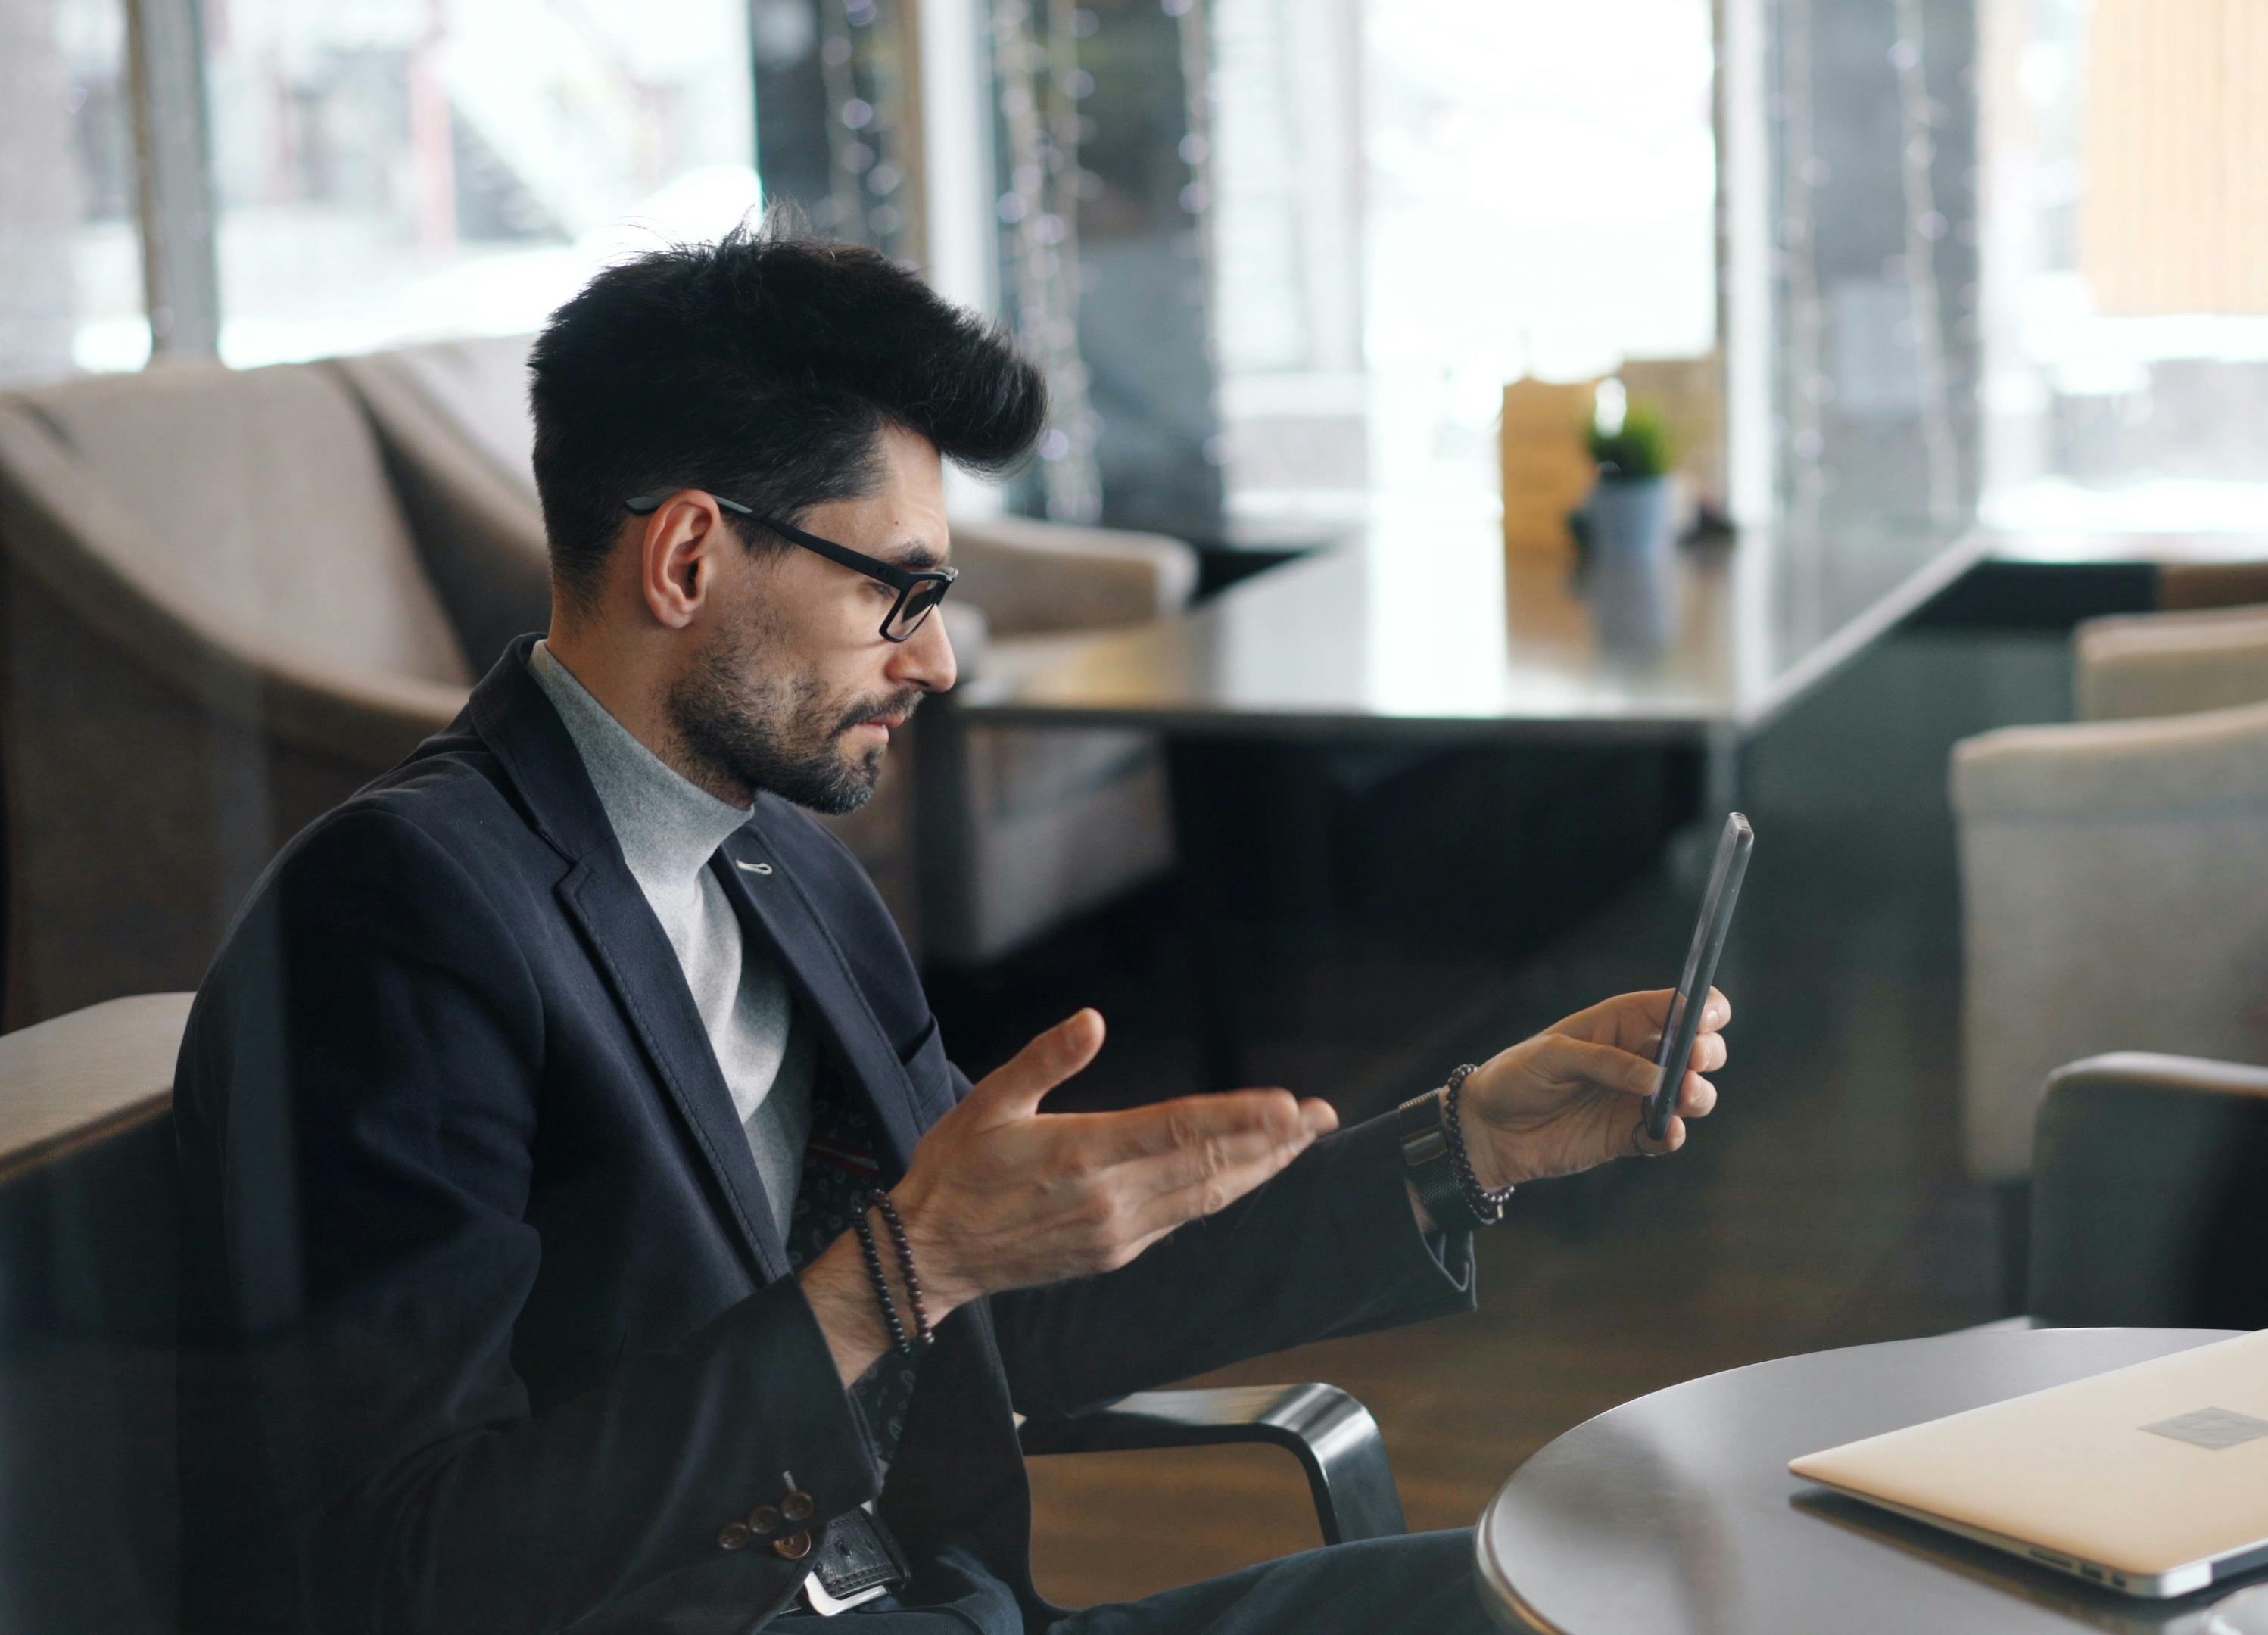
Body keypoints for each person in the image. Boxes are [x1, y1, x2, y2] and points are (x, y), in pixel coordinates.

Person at [170, 221, 1732, 1635]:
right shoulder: (401, 918)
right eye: (896, 595)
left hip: (950, 1612)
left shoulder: (785, 870)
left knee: (1595, 1604)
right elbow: (395, 1571)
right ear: (690, 556)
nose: (936, 665)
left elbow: (992, 1303)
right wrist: (890, 1278)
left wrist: (1460, 1146)